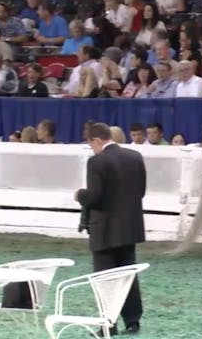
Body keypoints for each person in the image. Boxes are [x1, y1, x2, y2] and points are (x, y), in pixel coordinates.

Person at [74, 123, 146, 336]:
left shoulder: (96, 162)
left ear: (97, 140)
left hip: (105, 228)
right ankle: (132, 321)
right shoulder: (135, 157)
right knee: (128, 275)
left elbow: (95, 196)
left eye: (91, 145)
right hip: (129, 227)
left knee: (104, 278)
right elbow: (140, 192)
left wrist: (80, 195)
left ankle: (108, 324)